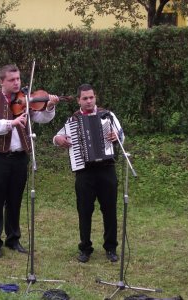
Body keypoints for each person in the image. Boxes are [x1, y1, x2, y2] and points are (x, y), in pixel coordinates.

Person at [0, 64, 59, 258]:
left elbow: (41, 118)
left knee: (15, 200)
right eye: (12, 80)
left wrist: (50, 107)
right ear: (1, 81)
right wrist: (11, 123)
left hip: (19, 156)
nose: (16, 83)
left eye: (18, 79)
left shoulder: (25, 100)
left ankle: (13, 238)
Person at [53, 83, 123, 263]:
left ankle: (111, 247)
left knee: (110, 210)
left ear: (95, 98)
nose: (89, 101)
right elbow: (57, 137)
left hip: (107, 169)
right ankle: (85, 248)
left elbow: (121, 136)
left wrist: (116, 136)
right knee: (84, 210)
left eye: (91, 97)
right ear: (79, 100)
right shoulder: (73, 120)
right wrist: (59, 139)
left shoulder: (108, 115)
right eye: (85, 98)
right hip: (84, 172)